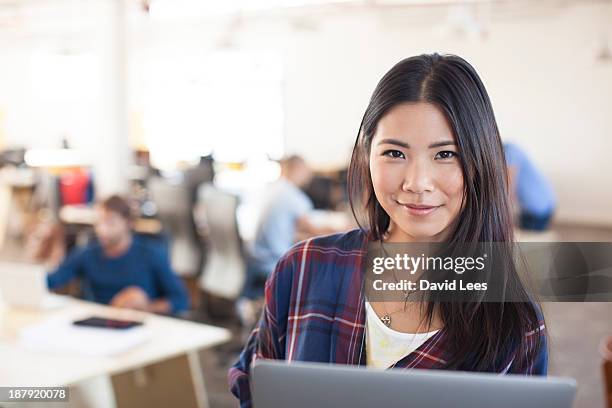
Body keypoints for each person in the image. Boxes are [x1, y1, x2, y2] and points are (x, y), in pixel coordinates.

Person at [229, 53, 547, 407]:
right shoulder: (303, 268)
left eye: (445, 155)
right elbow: (254, 388)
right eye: (395, 153)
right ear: (367, 156)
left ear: (480, 163)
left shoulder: (513, 321)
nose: (417, 183)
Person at [47, 195, 189, 315]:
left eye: (110, 222)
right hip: (102, 324)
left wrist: (146, 307)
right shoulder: (87, 253)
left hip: (141, 323)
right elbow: (53, 280)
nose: (102, 229)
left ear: (128, 223)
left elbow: (180, 300)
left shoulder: (152, 254)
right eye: (99, 222)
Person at [240, 155, 338, 300]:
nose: (309, 176)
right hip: (274, 262)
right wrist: (345, 230)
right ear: (297, 169)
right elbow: (315, 231)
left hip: (256, 260)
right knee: (329, 268)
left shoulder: (270, 189)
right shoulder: (291, 195)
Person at [504, 142, 556, 231]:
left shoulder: (510, 151)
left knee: (529, 239)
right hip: (536, 206)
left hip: (537, 208)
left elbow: (508, 190)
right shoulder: (510, 150)